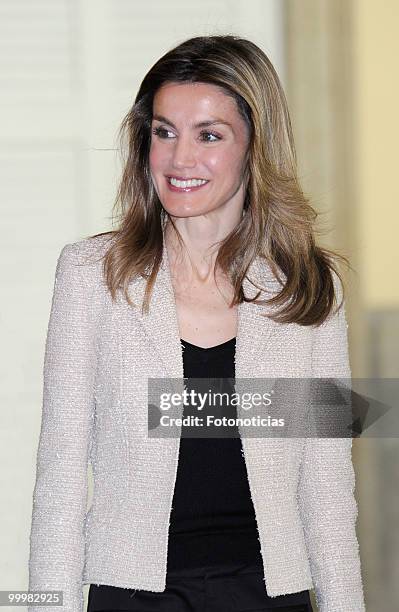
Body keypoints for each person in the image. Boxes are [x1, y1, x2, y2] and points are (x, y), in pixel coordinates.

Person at [28, 34, 366, 612]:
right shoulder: (90, 276)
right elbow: (59, 482)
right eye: (164, 132)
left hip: (267, 594)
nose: (180, 159)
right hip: (131, 595)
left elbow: (328, 489)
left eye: (209, 135)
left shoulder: (310, 288)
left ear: (254, 147)